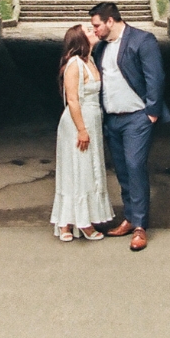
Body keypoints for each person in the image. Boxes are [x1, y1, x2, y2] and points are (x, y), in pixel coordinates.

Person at [90, 1, 170, 252]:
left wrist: (152, 113)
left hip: (137, 117)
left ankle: (140, 227)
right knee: (123, 169)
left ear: (110, 21)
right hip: (112, 118)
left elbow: (155, 76)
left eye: (96, 25)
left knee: (135, 166)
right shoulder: (101, 47)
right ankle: (129, 217)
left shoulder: (142, 40)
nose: (94, 30)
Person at [50, 22, 114, 241]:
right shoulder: (75, 64)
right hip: (79, 123)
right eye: (88, 31)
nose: (93, 31)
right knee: (76, 169)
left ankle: (77, 219)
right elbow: (73, 100)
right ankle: (71, 223)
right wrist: (81, 130)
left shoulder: (91, 60)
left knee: (88, 169)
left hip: (92, 121)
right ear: (79, 40)